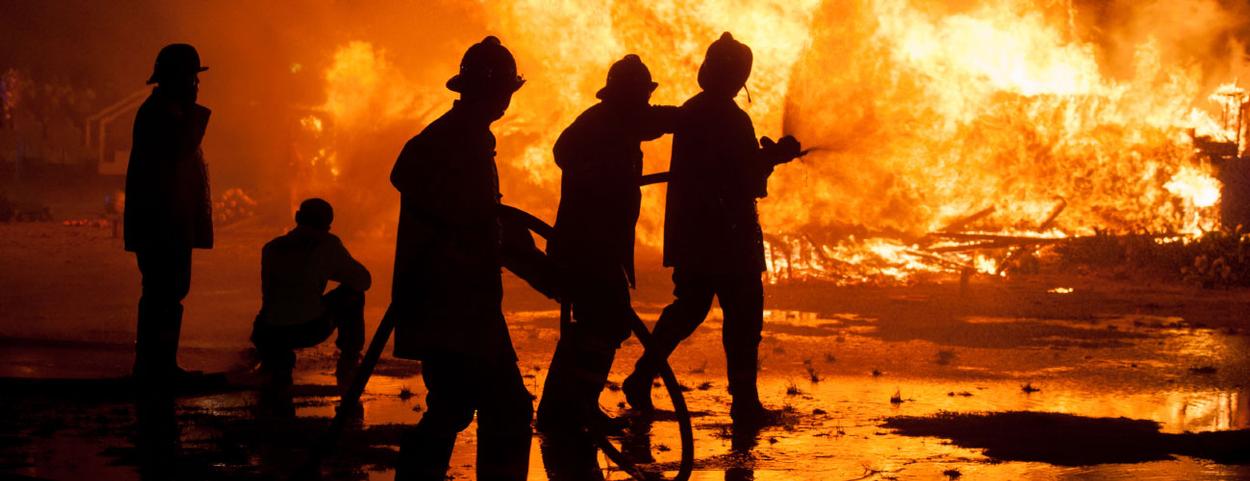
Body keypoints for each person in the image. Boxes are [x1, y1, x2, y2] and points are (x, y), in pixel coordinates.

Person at [622, 32, 803, 426]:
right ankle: (744, 403)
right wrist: (774, 157)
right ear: (739, 77)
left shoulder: (694, 110)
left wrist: (765, 156)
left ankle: (641, 377)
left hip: (694, 234)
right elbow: (745, 181)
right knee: (743, 317)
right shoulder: (732, 118)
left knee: (689, 308)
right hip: (729, 237)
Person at [389, 36, 532, 481]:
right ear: (489, 90)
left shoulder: (469, 138)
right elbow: (456, 208)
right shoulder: (447, 141)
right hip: (451, 303)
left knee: (456, 405)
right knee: (502, 408)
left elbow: (485, 219)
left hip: (464, 302)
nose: (507, 100)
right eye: (505, 90)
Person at [535, 54, 677, 434]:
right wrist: (597, 174)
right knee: (607, 321)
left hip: (602, 246)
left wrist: (700, 117)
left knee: (598, 323)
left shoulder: (623, 123)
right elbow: (562, 152)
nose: (647, 103)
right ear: (626, 96)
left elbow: (661, 120)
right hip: (587, 246)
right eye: (641, 96)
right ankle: (572, 408)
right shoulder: (599, 123)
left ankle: (564, 409)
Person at [124, 43, 213, 382]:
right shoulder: (163, 115)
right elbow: (180, 152)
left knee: (167, 291)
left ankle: (158, 365)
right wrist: (193, 113)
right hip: (161, 222)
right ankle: (155, 368)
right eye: (192, 77)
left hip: (165, 221)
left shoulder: (164, 110)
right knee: (164, 291)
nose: (196, 85)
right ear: (177, 78)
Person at [249, 198, 370, 386]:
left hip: (267, 332)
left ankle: (271, 358)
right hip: (306, 329)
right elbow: (363, 281)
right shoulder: (328, 245)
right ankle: (349, 359)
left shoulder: (271, 247)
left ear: (297, 217)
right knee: (353, 295)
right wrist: (333, 270)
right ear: (328, 225)